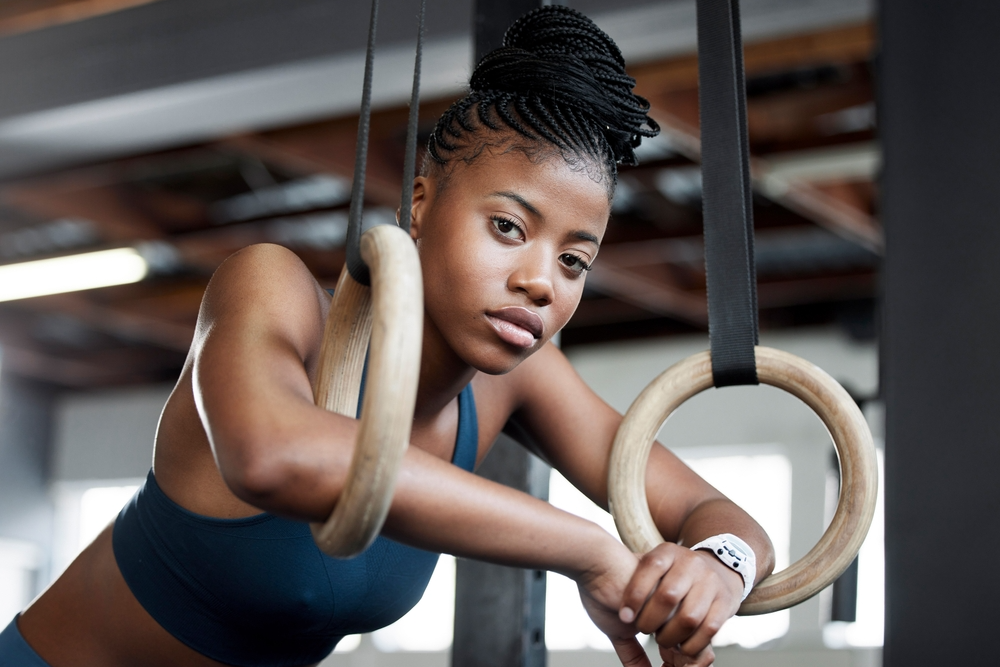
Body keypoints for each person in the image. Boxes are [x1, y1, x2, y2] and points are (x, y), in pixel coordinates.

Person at [2, 6, 774, 667]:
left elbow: (719, 516)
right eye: (508, 226)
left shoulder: (519, 380)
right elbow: (279, 454)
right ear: (420, 204)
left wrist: (719, 567)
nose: (543, 281)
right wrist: (591, 549)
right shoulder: (272, 290)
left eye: (575, 260)